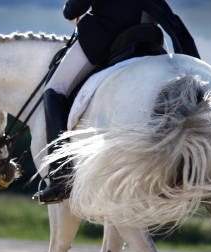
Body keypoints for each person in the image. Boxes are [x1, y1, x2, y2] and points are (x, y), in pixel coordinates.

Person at [35, 0, 200, 205]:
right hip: (151, 32)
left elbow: (75, 9)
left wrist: (69, 10)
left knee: (54, 90)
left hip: (107, 33)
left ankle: (60, 176)